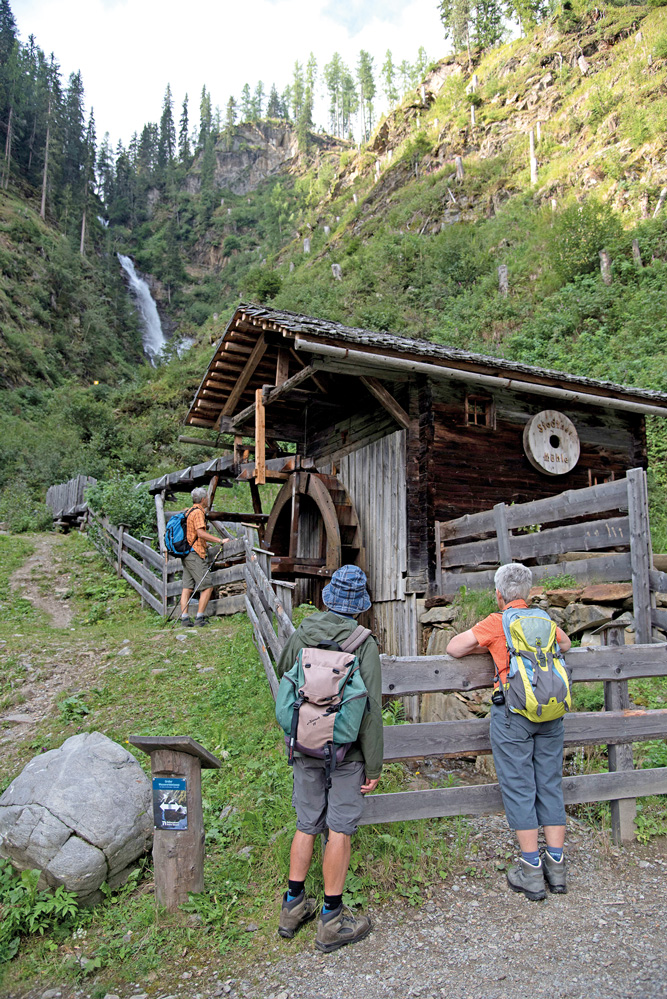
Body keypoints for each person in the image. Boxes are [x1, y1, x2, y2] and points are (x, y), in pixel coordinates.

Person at [447, 562, 572, 900]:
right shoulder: (544, 619)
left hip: (513, 715)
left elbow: (454, 648)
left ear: (499, 594)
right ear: (528, 593)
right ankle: (556, 870)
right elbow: (567, 644)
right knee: (549, 782)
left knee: (519, 786)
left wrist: (487, 645)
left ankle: (531, 871)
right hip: (550, 713)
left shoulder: (496, 621)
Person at [276, 564, 383, 952]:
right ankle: (332, 920)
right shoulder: (363, 642)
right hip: (347, 752)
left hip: (305, 745)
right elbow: (371, 710)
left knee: (306, 824)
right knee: (339, 828)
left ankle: (292, 907)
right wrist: (373, 765)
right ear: (359, 605)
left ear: (329, 598)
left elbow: (283, 672)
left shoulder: (304, 631)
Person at [179, 486, 229, 627]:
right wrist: (219, 541)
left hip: (186, 552)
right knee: (207, 586)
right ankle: (200, 618)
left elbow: (193, 535)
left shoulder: (188, 512)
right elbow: (200, 533)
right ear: (202, 499)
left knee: (187, 587)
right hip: (195, 554)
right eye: (206, 497)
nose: (207, 500)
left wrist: (206, 545)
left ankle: (184, 619)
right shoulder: (198, 513)